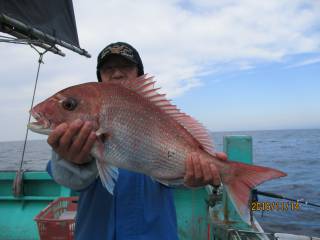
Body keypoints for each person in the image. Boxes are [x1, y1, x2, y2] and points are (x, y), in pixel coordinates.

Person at [46, 42, 227, 240]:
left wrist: (192, 178)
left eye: (125, 67)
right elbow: (69, 181)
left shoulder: (160, 116)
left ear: (139, 74)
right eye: (108, 69)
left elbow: (176, 178)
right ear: (100, 80)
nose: (116, 74)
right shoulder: (78, 129)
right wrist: (73, 161)